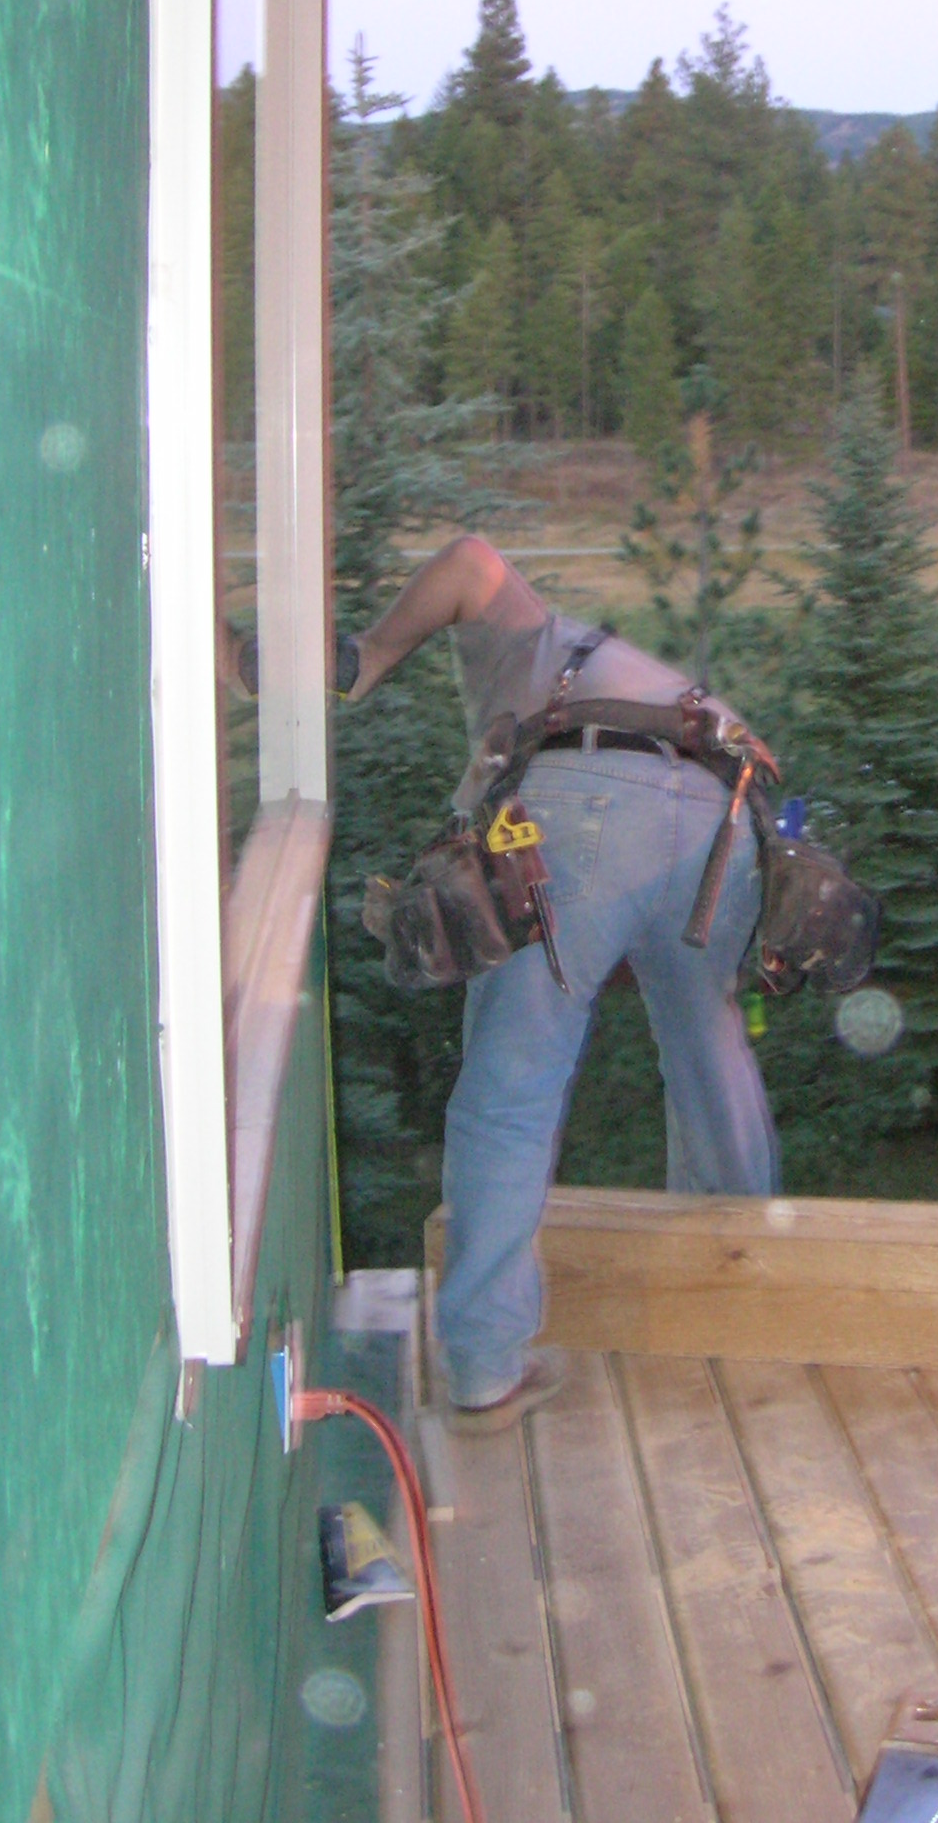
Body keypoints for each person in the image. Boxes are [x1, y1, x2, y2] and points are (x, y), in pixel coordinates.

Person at [342, 536, 780, 1430]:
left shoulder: (525, 634)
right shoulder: (627, 667)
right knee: (713, 1056)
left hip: (586, 796)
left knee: (511, 1089)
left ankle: (485, 1367)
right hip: (728, 805)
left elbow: (470, 560)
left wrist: (370, 654)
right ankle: (748, 1298)